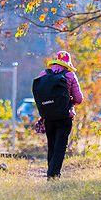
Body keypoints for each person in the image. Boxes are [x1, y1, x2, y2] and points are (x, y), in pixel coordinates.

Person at [36, 50, 83, 178]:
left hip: (48, 116)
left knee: (51, 144)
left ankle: (51, 173)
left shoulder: (43, 74)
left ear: (56, 61)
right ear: (67, 63)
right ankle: (53, 175)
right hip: (64, 116)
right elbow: (79, 99)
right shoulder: (70, 75)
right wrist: (69, 100)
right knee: (60, 146)